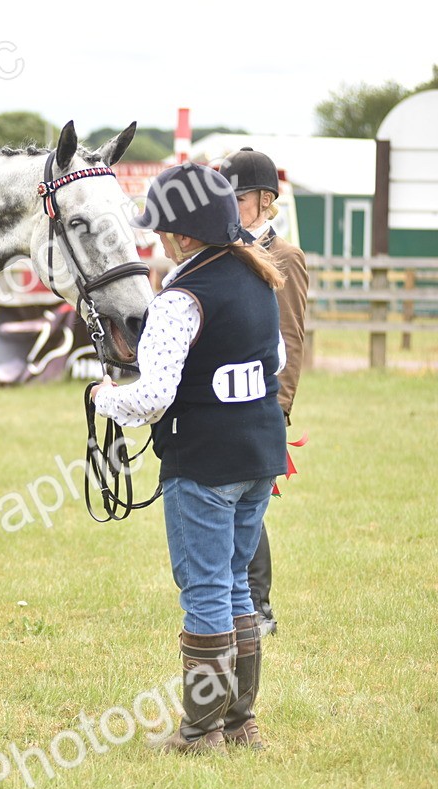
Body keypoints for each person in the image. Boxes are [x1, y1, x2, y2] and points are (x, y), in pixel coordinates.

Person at [92, 162, 287, 753]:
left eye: (162, 231)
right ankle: (240, 723)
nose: (156, 240)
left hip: (203, 464)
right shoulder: (260, 276)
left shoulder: (181, 297)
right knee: (234, 587)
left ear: (182, 233)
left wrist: (104, 398)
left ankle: (200, 732)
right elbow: (271, 362)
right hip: (258, 457)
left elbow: (152, 397)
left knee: (204, 590)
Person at [220, 148, 308, 638]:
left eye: (240, 195)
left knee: (249, 504)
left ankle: (260, 604)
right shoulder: (221, 249)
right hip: (221, 396)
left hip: (263, 398)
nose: (231, 203)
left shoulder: (285, 257)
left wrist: (281, 404)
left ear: (265, 199)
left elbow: (291, 336)